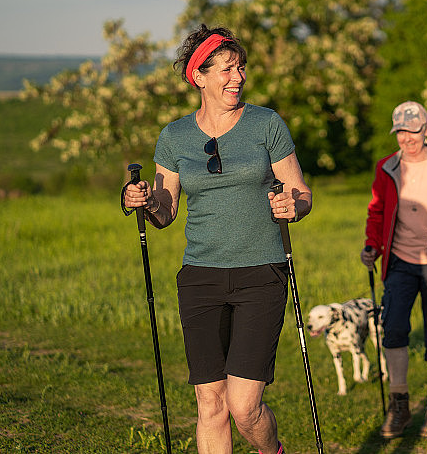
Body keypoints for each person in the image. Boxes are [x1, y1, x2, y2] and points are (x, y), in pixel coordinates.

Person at [124, 24, 312, 454]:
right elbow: (165, 211)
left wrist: (294, 206)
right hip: (201, 278)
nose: (238, 77)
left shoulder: (267, 124)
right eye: (227, 69)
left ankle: (272, 450)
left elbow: (300, 193)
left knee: (244, 407)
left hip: (260, 273)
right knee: (210, 403)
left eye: (241, 67)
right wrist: (144, 200)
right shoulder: (174, 137)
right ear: (200, 77)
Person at [361, 100, 427, 439]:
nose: (407, 138)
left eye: (413, 130)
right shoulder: (387, 167)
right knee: (393, 329)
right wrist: (372, 245)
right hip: (399, 262)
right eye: (401, 132)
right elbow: (377, 212)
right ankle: (400, 403)